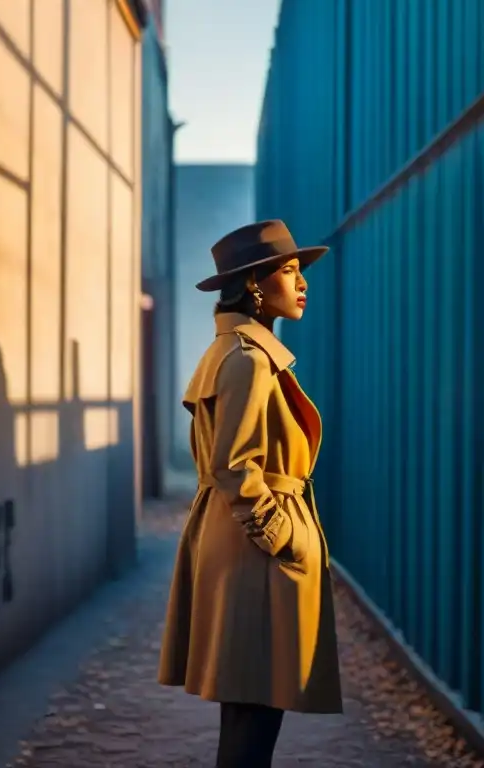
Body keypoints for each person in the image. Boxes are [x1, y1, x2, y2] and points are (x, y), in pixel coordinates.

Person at [158, 220, 343, 767]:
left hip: (243, 549)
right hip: (255, 555)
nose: (303, 283)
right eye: (289, 272)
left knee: (248, 717)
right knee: (253, 723)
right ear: (256, 285)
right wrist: (285, 539)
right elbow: (235, 467)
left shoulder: (237, 352)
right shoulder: (247, 360)